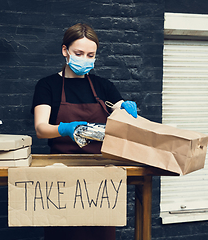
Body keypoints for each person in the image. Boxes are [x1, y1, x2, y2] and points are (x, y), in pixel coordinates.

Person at [31, 23, 138, 240]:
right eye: (79, 53)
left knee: (100, 233)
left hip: (101, 173)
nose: (85, 59)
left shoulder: (103, 86)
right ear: (65, 51)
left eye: (91, 55)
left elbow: (121, 115)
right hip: (61, 173)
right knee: (63, 233)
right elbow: (41, 129)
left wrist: (126, 111)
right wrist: (65, 128)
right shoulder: (47, 85)